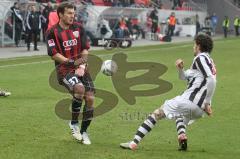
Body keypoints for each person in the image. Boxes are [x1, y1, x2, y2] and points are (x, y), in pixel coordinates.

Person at [120, 34, 217, 151]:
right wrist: (181, 69)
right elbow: (185, 77)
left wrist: (207, 103)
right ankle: (182, 137)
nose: (193, 47)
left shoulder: (200, 58)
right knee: (179, 115)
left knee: (157, 113)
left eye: (194, 45)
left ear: (198, 46)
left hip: (190, 101)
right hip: (199, 109)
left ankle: (134, 143)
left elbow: (211, 79)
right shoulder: (209, 61)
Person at [46, 2, 94, 145]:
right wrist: (73, 63)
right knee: (79, 89)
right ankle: (74, 123)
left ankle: (84, 132)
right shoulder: (52, 32)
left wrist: (83, 64)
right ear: (60, 14)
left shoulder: (79, 28)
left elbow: (85, 49)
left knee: (90, 99)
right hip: (64, 70)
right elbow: (53, 54)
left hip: (82, 67)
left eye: (73, 13)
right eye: (69, 13)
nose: (72, 16)